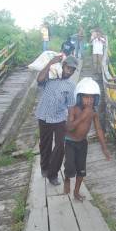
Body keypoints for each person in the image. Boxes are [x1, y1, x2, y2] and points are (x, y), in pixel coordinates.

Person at [63, 78, 111, 201]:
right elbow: (70, 127)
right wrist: (83, 116)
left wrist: (104, 148)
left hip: (82, 143)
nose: (89, 101)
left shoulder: (93, 112)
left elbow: (99, 129)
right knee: (69, 167)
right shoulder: (72, 109)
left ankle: (76, 192)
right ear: (79, 97)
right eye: (86, 97)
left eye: (92, 98)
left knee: (81, 170)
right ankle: (67, 178)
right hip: (70, 142)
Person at [35, 55, 79, 185]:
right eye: (67, 68)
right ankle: (44, 167)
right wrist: (50, 63)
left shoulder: (71, 85)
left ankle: (52, 174)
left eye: (72, 70)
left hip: (60, 118)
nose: (69, 72)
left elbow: (71, 105)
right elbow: (39, 79)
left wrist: (71, 122)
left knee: (60, 146)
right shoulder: (51, 75)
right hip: (43, 115)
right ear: (63, 66)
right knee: (45, 144)